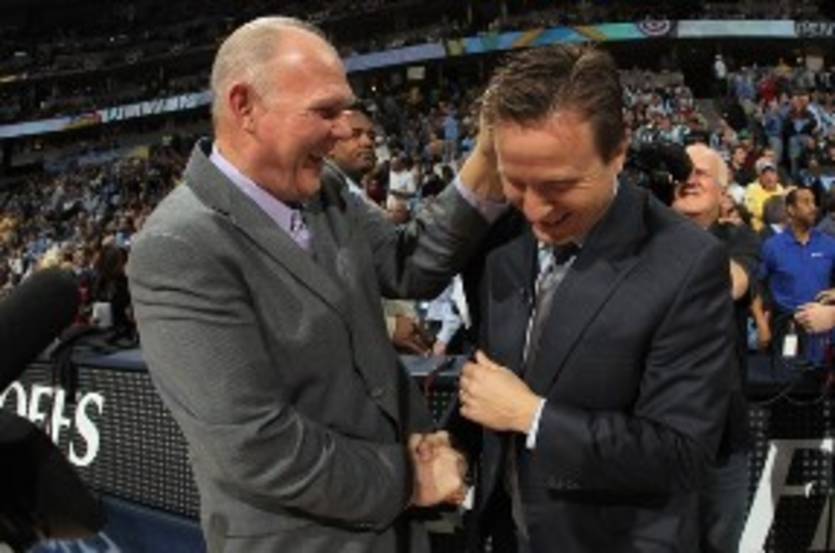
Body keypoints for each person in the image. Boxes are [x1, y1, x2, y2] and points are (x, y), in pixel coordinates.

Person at [127, 17, 502, 553]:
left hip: (403, 526)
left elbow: (407, 264)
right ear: (244, 106)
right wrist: (408, 479)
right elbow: (255, 444)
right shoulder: (178, 246)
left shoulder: (325, 186)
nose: (344, 130)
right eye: (325, 112)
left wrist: (486, 161)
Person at [455, 45, 735, 553]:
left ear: (618, 153)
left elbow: (681, 454)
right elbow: (493, 385)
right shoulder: (501, 245)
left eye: (559, 185)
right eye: (515, 182)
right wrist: (452, 445)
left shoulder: (687, 263)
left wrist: (533, 417)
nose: (535, 210)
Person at [672, 144, 760, 553]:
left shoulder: (739, 238)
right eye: (681, 171)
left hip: (723, 436)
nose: (689, 179)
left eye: (702, 173)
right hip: (651, 430)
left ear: (724, 193)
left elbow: (730, 285)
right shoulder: (638, 240)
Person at [325, 107, 432, 356]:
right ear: (329, 145)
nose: (368, 142)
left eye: (372, 136)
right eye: (355, 134)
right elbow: (331, 288)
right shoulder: (325, 203)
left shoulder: (356, 198)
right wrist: (389, 325)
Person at [756, 188, 835, 366]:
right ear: (791, 209)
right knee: (788, 378)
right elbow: (757, 287)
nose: (813, 207)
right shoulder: (772, 246)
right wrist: (762, 324)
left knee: (822, 377)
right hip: (787, 328)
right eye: (806, 202)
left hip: (824, 330)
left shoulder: (829, 244)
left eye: (814, 202)